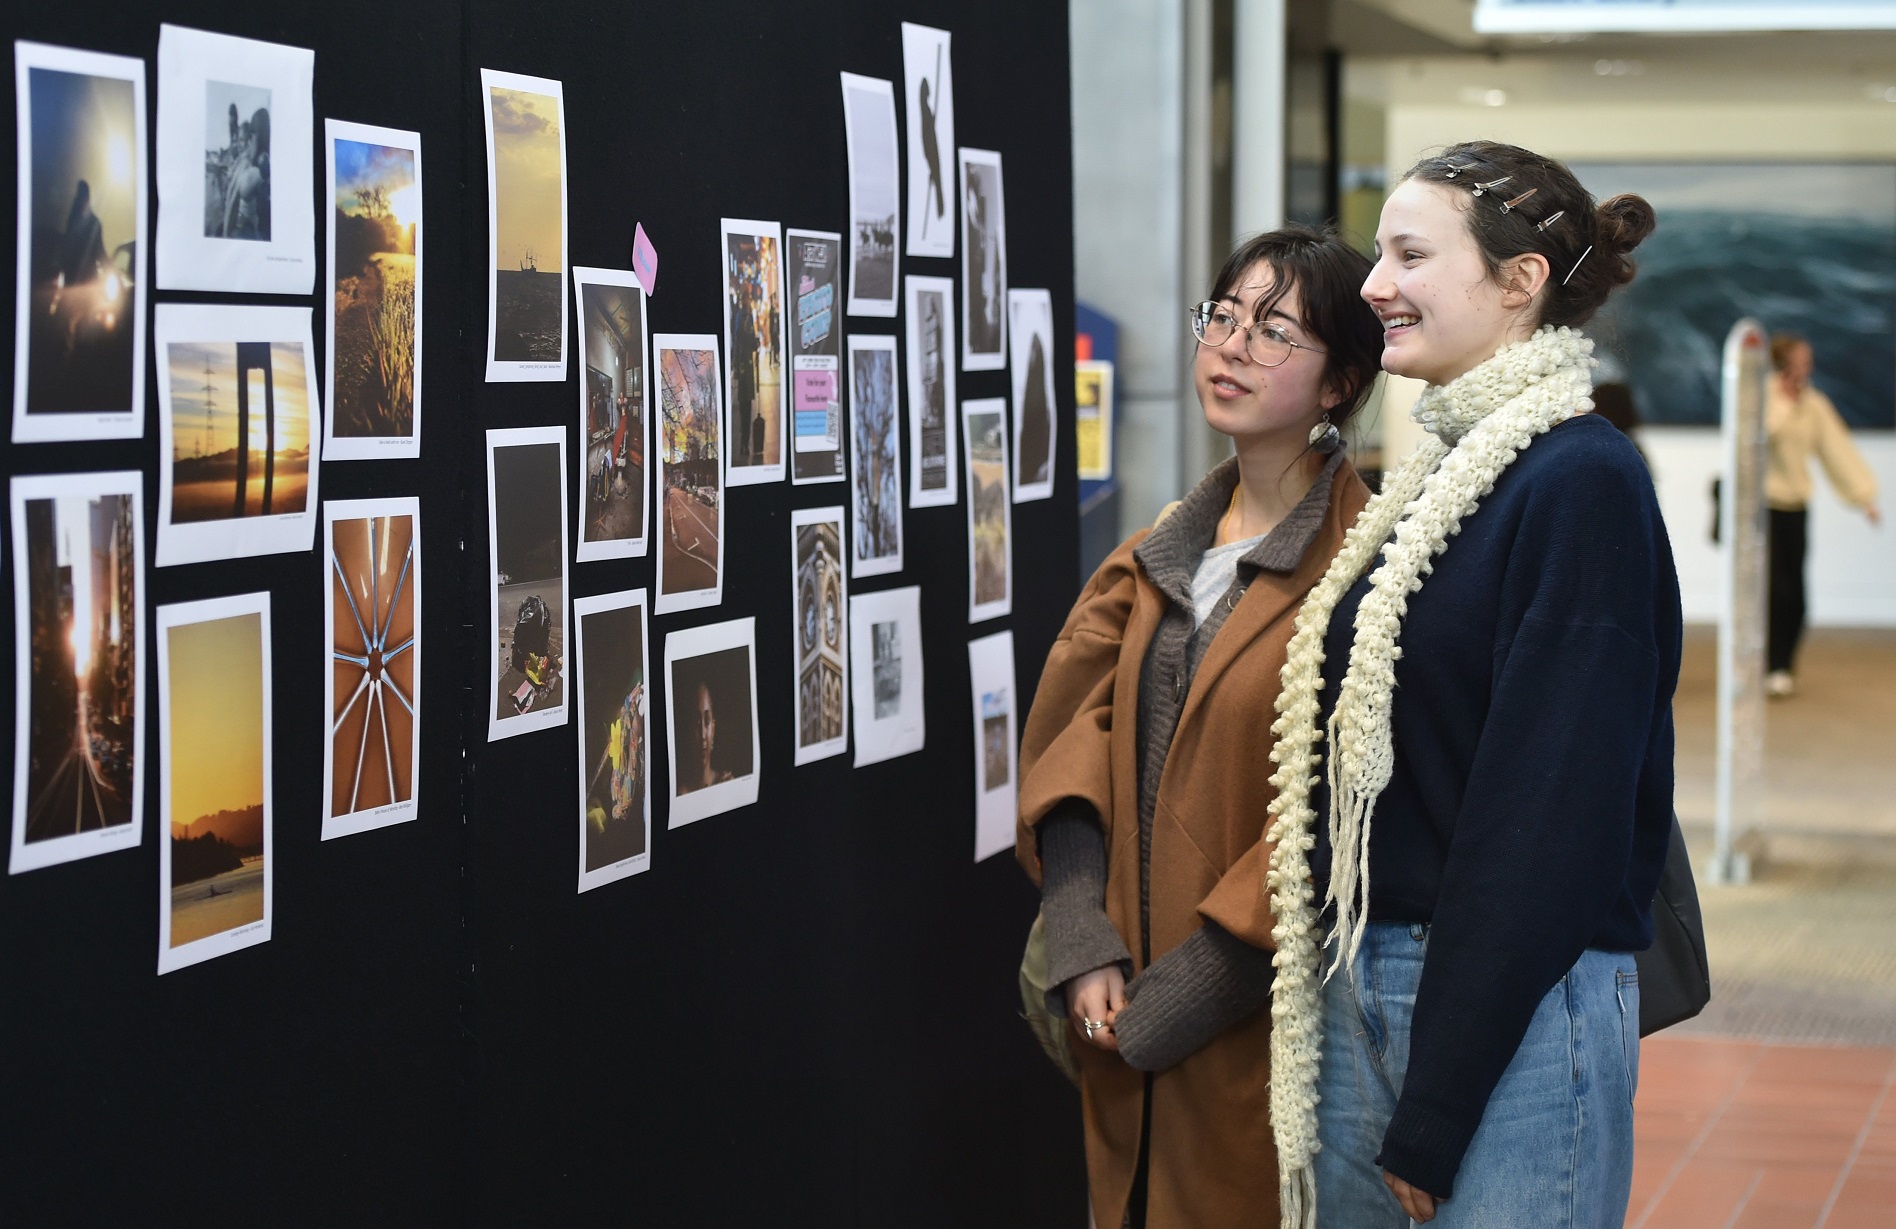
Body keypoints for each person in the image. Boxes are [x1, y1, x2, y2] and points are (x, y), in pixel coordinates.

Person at [1260, 140, 1679, 1228]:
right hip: (1368, 974)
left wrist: (1442, 1093)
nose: (1373, 285)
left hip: (1512, 1005)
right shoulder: (1446, 468)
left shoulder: (1581, 478)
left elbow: (1550, 809)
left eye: (1410, 254)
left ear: (1518, 282)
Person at [1015, 224, 1384, 1229]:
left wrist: (1185, 994)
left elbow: (1340, 815)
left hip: (1257, 1031)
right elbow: (1076, 738)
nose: (1229, 347)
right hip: (1120, 1010)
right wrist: (1085, 935)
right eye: (1221, 316)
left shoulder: (1369, 571)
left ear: (1340, 380)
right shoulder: (1155, 553)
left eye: (1274, 331)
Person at [1762, 333, 1881, 697]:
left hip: (1795, 507)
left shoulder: (1814, 404)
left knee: (1795, 593)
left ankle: (1784, 665)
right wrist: (1784, 401)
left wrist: (1864, 497)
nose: (1807, 366)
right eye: (1801, 359)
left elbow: (1837, 450)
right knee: (1773, 590)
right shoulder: (1762, 397)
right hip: (1762, 508)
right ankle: (1769, 664)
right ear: (1785, 362)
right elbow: (1762, 434)